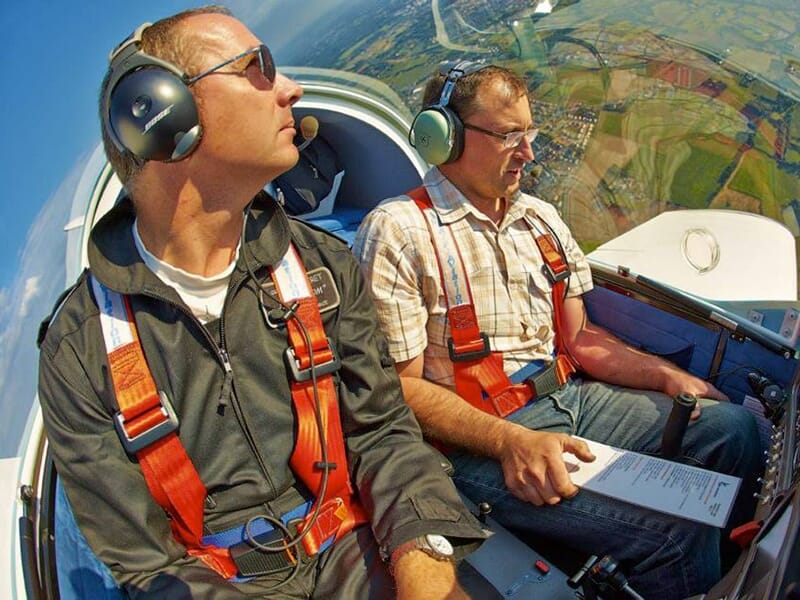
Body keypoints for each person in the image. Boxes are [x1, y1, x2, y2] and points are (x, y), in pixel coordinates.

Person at [37, 7, 487, 599]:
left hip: (359, 549)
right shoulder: (78, 352)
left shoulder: (323, 267)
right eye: (258, 67)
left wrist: (423, 567)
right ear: (160, 110)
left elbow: (385, 436)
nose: (290, 89)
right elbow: (148, 567)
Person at [353, 62, 763, 599]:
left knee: (734, 429)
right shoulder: (398, 232)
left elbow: (582, 338)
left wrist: (664, 375)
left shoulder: (539, 218)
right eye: (507, 136)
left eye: (529, 133)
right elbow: (400, 390)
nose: (527, 152)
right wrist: (510, 441)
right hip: (478, 441)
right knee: (676, 535)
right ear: (443, 137)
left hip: (572, 400)